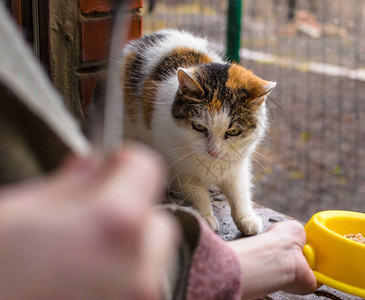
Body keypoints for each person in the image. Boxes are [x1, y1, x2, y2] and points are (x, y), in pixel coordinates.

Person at [0, 3, 316, 298]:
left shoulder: (247, 109)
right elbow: (181, 170)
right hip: (138, 114)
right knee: (183, 166)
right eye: (201, 130)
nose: (214, 149)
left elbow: (235, 168)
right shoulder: (175, 108)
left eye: (232, 134)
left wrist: (241, 210)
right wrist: (202, 207)